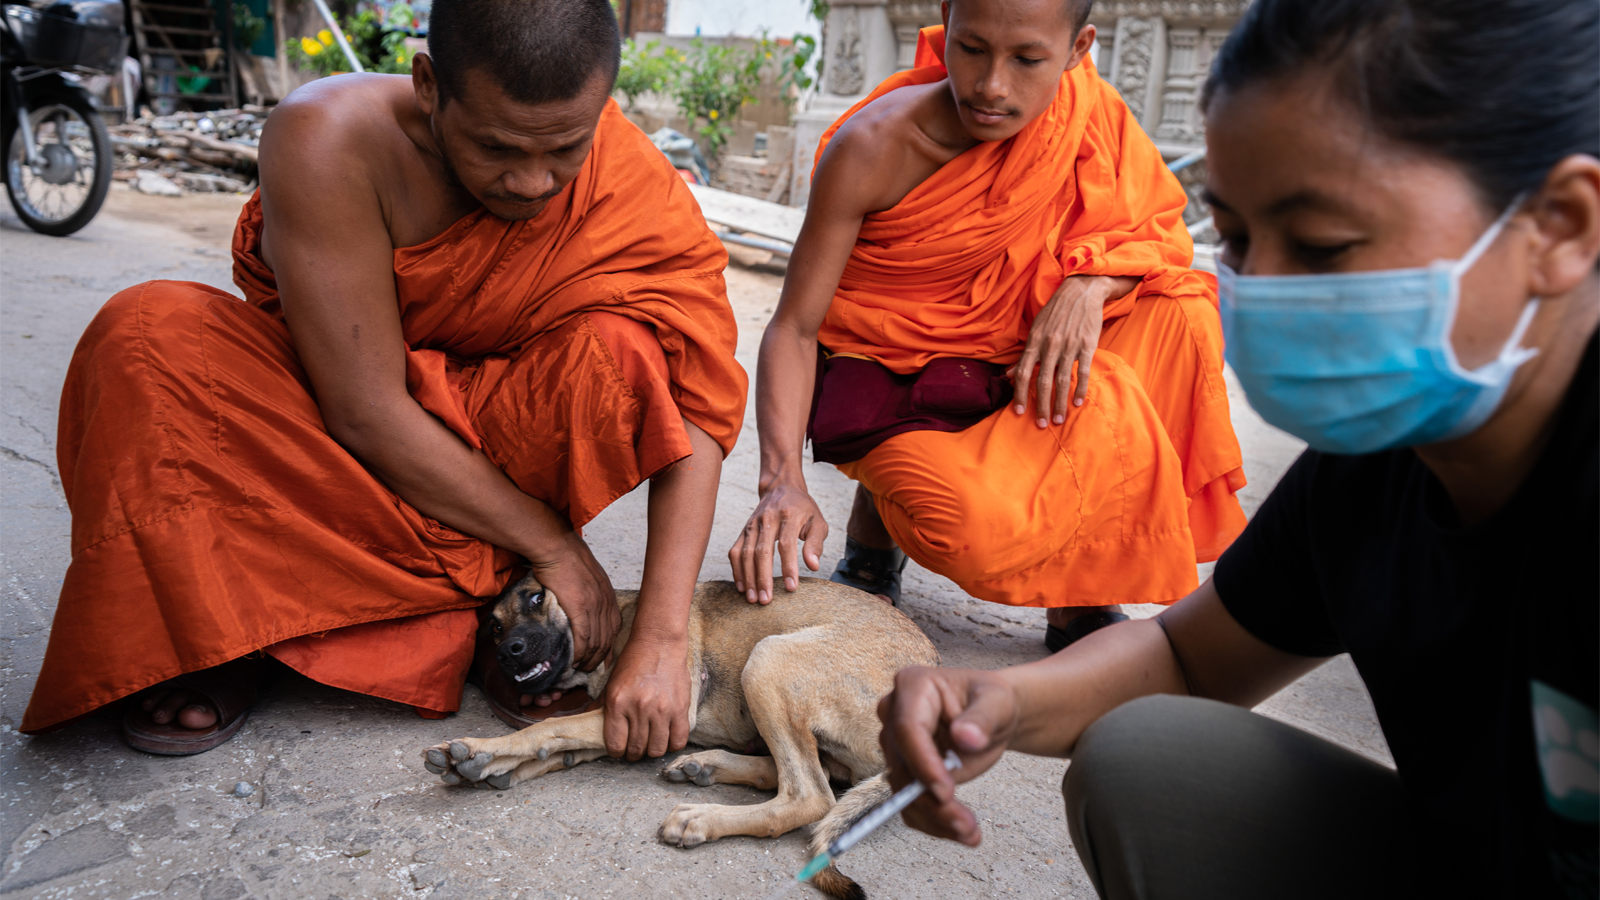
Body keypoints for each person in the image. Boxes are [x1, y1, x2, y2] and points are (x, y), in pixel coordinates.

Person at [875, 0, 1599, 896]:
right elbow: (1191, 659)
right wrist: (1001, 704)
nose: (1265, 291)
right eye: (1244, 241)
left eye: (1325, 245)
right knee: (1150, 755)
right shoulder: (1378, 469)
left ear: (1561, 228)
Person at [20, 0, 747, 760]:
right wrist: (556, 549)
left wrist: (662, 639)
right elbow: (364, 408)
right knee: (148, 334)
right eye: (497, 147)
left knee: (631, 349)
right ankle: (226, 624)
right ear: (428, 84)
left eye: (564, 148)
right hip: (347, 445)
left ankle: (492, 610)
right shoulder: (329, 139)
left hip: (503, 450)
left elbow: (697, 400)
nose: (533, 182)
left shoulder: (627, 172)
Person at [728, 0, 1246, 650]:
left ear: (1078, 48)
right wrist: (782, 481)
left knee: (1182, 318)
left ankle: (1079, 595)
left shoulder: (1089, 112)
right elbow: (794, 328)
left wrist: (1090, 284)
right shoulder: (874, 148)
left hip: (1023, 363)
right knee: (970, 534)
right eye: (971, 48)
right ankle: (875, 527)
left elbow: (1155, 235)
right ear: (948, 18)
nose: (991, 86)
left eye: (1028, 59)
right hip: (906, 386)